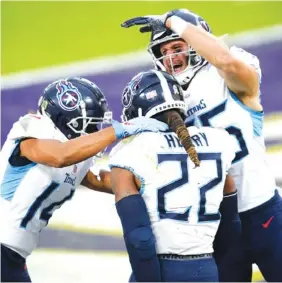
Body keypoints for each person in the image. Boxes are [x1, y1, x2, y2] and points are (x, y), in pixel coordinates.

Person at [121, 9, 282, 282]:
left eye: (177, 47)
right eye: (163, 50)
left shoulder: (228, 70)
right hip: (216, 224)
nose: (170, 57)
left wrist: (173, 21)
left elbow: (225, 61)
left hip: (262, 210)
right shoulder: (165, 93)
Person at [0, 76, 169, 282]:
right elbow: (60, 156)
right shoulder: (33, 131)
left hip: (13, 256)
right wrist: (118, 130)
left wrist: (152, 178)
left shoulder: (75, 155)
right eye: (88, 125)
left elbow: (98, 180)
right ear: (65, 118)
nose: (93, 133)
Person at [109, 70, 237, 282]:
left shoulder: (131, 150)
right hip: (207, 268)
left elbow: (139, 238)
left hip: (161, 269)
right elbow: (232, 223)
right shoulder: (220, 140)